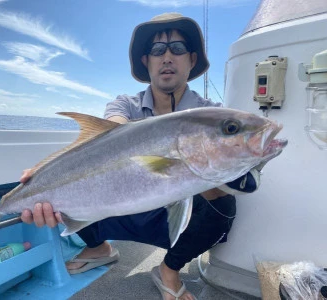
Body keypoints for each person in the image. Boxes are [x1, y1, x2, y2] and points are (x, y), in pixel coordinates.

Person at [20, 13, 261, 300]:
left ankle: (168, 269)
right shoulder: (125, 104)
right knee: (70, 191)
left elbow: (245, 181)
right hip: (128, 206)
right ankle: (100, 248)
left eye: (178, 49)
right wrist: (49, 171)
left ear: (192, 59)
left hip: (175, 216)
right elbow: (110, 133)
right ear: (147, 61)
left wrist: (192, 166)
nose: (167, 57)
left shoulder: (210, 114)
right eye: (158, 50)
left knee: (224, 206)